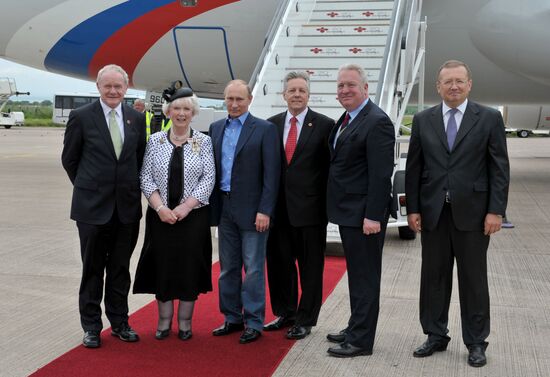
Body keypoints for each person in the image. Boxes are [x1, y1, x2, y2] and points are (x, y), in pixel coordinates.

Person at [405, 60, 510, 367]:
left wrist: (496, 211)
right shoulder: (423, 120)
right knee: (433, 278)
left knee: (473, 280)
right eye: (447, 81)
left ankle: (476, 341)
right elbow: (414, 168)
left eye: (459, 81)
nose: (453, 86)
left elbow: (499, 169)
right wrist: (412, 208)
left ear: (469, 84)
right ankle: (435, 335)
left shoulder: (489, 118)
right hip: (434, 213)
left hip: (475, 215)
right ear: (438, 87)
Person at [61, 64, 146, 348]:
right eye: (108, 86)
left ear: (126, 88)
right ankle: (92, 327)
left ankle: (120, 322)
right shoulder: (81, 117)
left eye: (118, 86)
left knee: (120, 268)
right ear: (98, 87)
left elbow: (139, 158)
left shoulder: (136, 117)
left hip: (127, 209)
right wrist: (90, 187)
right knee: (93, 269)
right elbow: (70, 160)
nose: (113, 91)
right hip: (92, 209)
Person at [133, 87, 215, 341]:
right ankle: (164, 321)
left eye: (186, 109)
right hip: (161, 218)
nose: (181, 113)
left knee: (190, 267)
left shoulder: (203, 141)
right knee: (164, 266)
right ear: (168, 111)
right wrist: (160, 208)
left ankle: (186, 323)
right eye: (176, 108)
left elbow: (208, 177)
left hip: (193, 218)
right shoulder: (155, 141)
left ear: (193, 113)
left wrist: (185, 207)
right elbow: (145, 176)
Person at [325, 64, 395, 357]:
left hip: (364, 215)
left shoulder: (377, 121)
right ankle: (356, 326)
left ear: (365, 89)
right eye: (341, 86)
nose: (344, 91)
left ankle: (361, 341)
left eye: (351, 85)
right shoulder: (347, 118)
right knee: (356, 275)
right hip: (349, 212)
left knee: (365, 278)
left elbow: (381, 174)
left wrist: (372, 216)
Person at [263, 71, 334, 340]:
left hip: (311, 213)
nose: (296, 95)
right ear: (284, 95)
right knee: (280, 266)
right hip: (278, 212)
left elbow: (330, 169)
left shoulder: (325, 125)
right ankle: (286, 313)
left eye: (301, 91)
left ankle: (306, 319)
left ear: (308, 95)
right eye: (292, 90)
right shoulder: (271, 125)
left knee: (310, 269)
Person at [209, 79, 280, 344]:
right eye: (230, 99)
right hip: (224, 208)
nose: (235, 104)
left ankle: (253, 321)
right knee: (228, 268)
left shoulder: (264, 130)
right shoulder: (216, 129)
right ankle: (232, 317)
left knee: (253, 269)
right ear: (224, 100)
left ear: (249, 100)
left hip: (254, 212)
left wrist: (265, 210)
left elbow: (272, 175)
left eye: (239, 99)